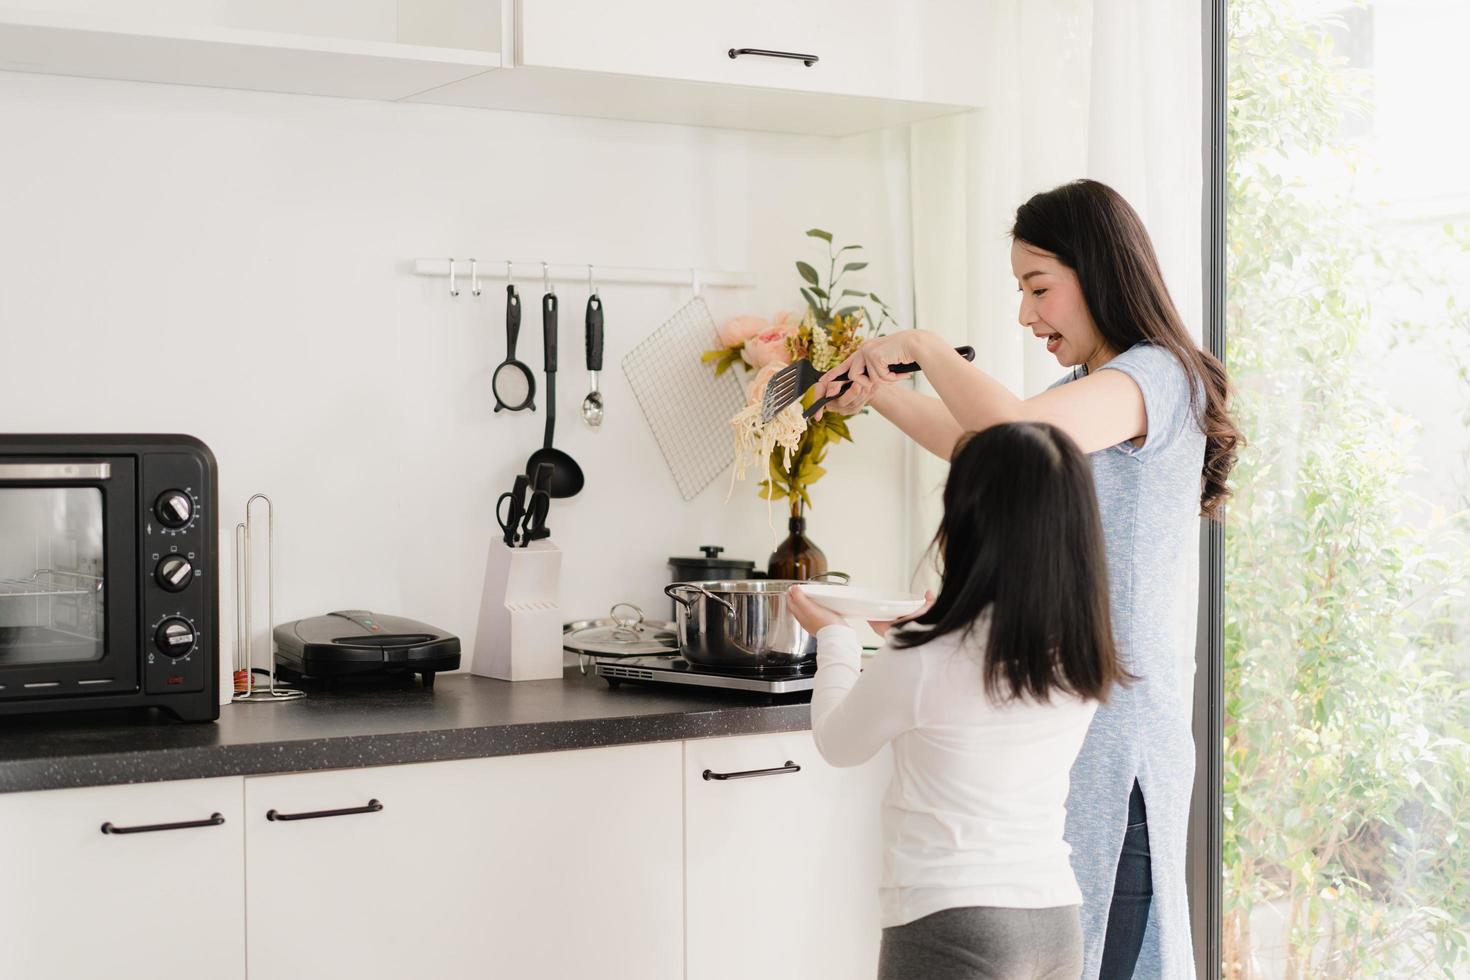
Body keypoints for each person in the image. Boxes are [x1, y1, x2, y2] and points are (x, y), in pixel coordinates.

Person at [811, 179, 1241, 979]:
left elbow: (1013, 430)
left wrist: (928, 348)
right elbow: (991, 449)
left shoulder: (1157, 378)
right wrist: (882, 397)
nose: (1026, 314)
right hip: (1066, 712)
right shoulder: (1090, 390)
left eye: (1038, 287)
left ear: (1100, 271)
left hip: (1118, 729)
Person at [787, 421, 1128, 980]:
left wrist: (837, 637)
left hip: (952, 919)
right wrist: (928, 625)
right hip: (1054, 918)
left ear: (967, 526)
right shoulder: (1079, 654)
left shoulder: (923, 658)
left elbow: (837, 742)